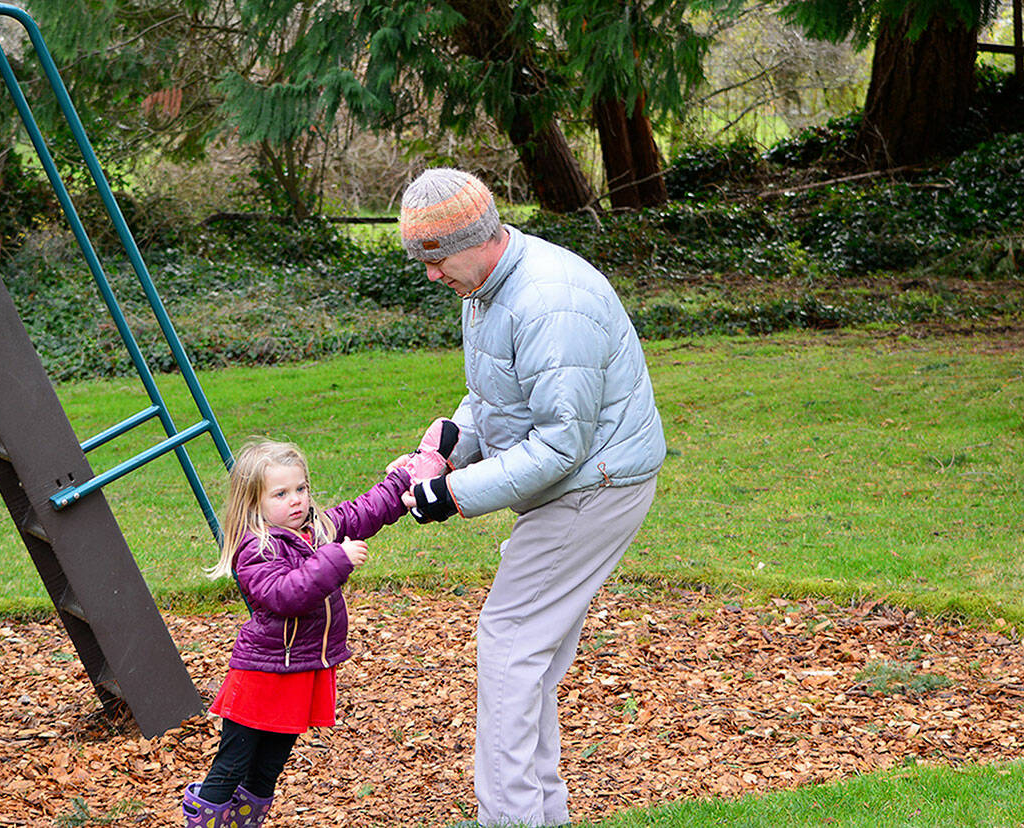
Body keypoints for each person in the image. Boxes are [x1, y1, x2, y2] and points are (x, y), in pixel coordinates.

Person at [396, 168, 666, 827]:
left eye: (435, 260)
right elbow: (498, 396)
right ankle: (539, 817)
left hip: (595, 487)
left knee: (510, 642)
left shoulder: (549, 301)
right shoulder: (486, 288)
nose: (432, 277)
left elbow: (560, 446)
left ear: (478, 237)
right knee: (529, 657)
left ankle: (510, 820)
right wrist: (452, 443)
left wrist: (451, 493)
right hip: (577, 480)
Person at [181, 434, 452, 827]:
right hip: (261, 677)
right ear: (253, 503)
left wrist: (404, 477)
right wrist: (335, 560)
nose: (296, 500)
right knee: (233, 764)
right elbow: (286, 594)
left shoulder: (318, 528)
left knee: (268, 768)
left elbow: (364, 512)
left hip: (300, 670)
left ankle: (243, 823)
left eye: (301, 488)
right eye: (280, 494)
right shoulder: (256, 548)